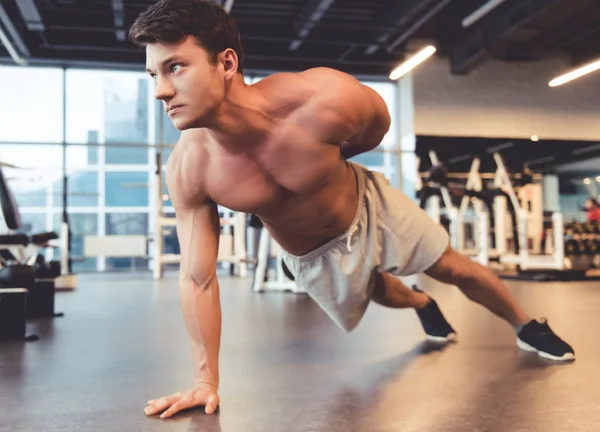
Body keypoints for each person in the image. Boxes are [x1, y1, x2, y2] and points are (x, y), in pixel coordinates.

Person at [131, 0, 575, 420]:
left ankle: (526, 326)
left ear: (226, 64)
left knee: (453, 268)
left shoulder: (321, 101)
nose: (161, 91)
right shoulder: (191, 169)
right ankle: (422, 303)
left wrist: (321, 159)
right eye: (153, 75)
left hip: (368, 204)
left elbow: (375, 129)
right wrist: (205, 381)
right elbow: (198, 277)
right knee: (381, 291)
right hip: (312, 255)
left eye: (176, 68)